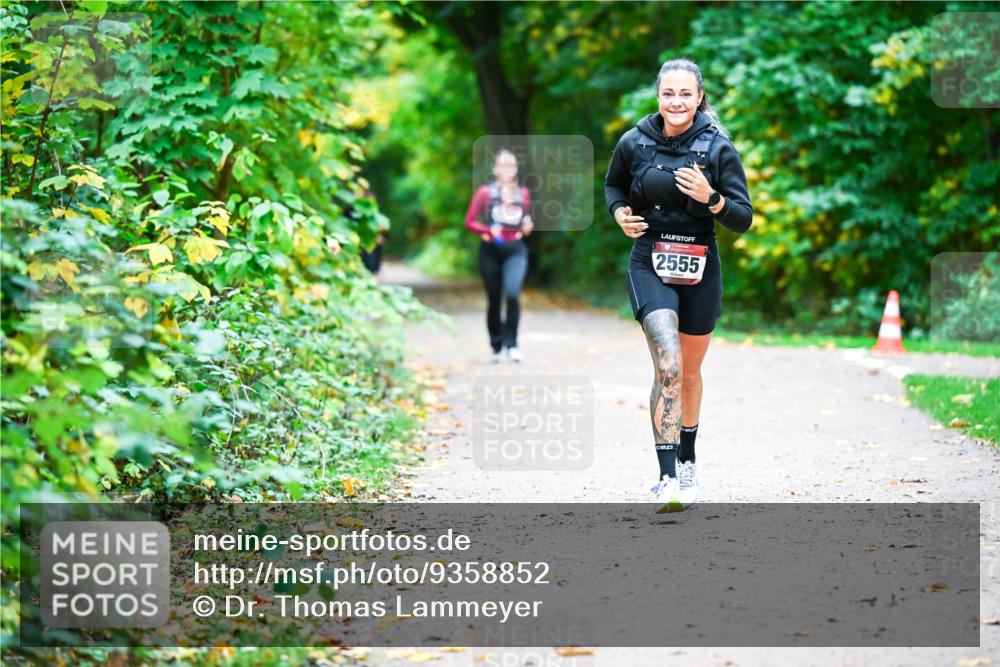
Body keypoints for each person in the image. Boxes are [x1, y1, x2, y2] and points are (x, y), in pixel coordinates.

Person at [604, 58, 753, 512]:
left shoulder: (718, 149)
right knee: (667, 364)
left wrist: (710, 199)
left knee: (688, 373)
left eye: (685, 93)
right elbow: (613, 187)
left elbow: (742, 218)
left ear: (699, 97)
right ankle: (667, 478)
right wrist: (620, 216)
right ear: (659, 96)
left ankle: (687, 458)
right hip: (649, 260)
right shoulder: (634, 142)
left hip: (700, 267)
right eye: (669, 93)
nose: (676, 101)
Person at [464, 149, 534, 363]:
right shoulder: (485, 192)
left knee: (512, 294)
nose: (506, 169)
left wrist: (527, 227)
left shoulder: (523, 193)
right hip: (491, 251)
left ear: (515, 169)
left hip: (515, 250)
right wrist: (486, 232)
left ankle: (512, 345)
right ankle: (496, 345)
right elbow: (469, 221)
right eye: (502, 165)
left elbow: (526, 222)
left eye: (510, 165)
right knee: (494, 299)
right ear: (495, 168)